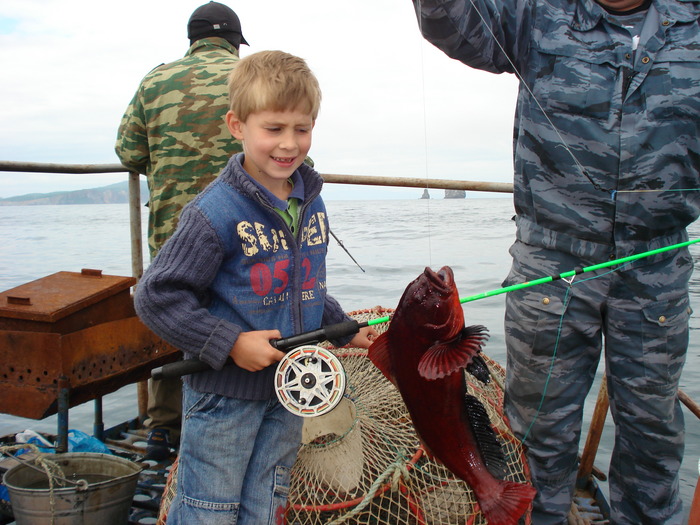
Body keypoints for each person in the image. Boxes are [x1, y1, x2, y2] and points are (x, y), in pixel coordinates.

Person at [412, 0, 699, 523]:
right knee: (538, 429)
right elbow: (452, 24)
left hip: (659, 265)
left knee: (654, 430)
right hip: (552, 263)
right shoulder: (536, 13)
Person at [133, 50, 377, 524]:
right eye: (274, 129)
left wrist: (344, 329)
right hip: (224, 397)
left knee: (267, 500)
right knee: (209, 507)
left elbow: (303, 288)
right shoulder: (213, 213)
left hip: (289, 392)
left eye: (301, 129)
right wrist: (229, 343)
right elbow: (156, 296)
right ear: (237, 125)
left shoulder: (311, 204)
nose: (289, 144)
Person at [115, 1, 248, 460]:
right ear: (235, 42)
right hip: (246, 227)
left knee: (176, 315)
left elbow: (128, 152)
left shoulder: (155, 80)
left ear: (191, 40)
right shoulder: (254, 76)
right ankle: (237, 422)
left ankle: (163, 428)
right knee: (247, 314)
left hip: (175, 229)